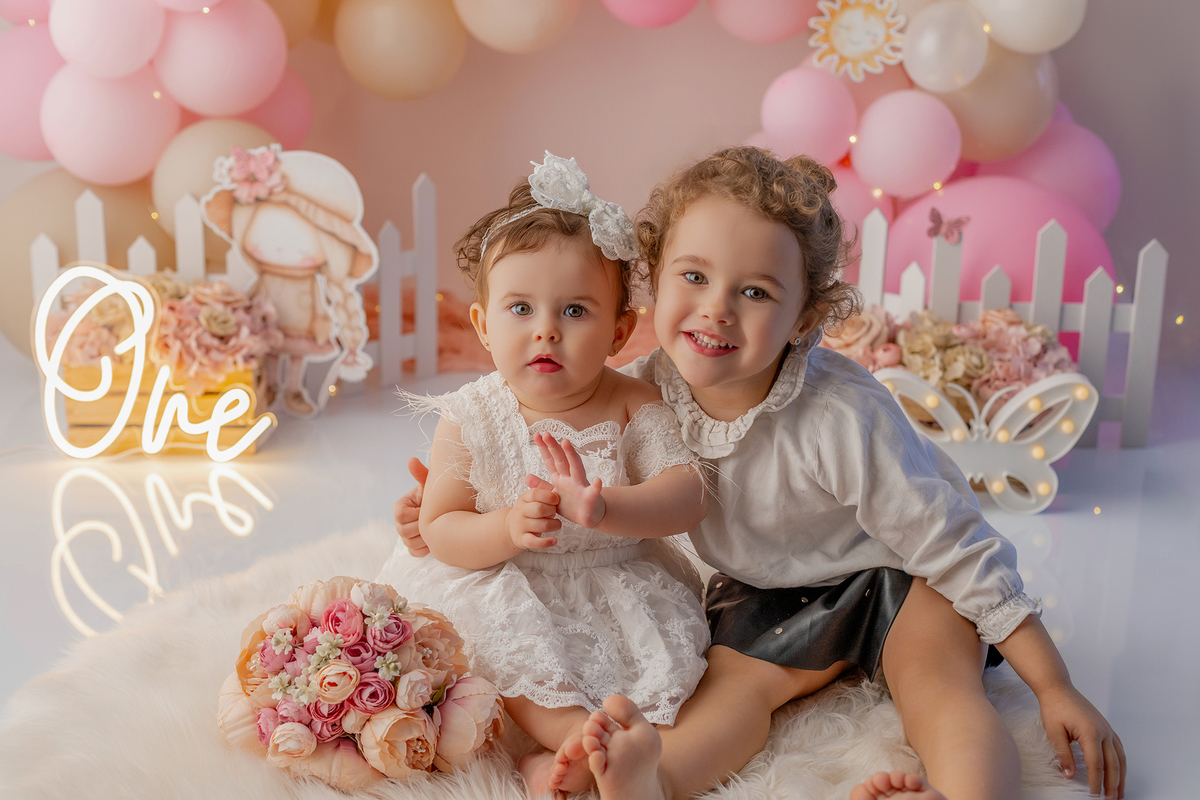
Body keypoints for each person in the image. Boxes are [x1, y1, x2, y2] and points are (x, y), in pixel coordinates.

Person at [394, 147, 1126, 800]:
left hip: (901, 578)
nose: (716, 311)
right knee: (731, 698)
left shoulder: (839, 418)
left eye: (756, 292)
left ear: (805, 316)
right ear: (655, 284)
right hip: (764, 591)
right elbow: (564, 456)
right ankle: (653, 779)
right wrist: (444, 510)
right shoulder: (646, 387)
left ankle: (961, 794)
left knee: (939, 687)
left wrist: (1053, 684)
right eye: (694, 276)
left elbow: (954, 543)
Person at [378, 153, 711, 798]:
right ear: (481, 323)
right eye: (520, 308)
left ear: (620, 331)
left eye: (576, 312)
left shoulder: (631, 405)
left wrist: (604, 507)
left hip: (610, 582)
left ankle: (561, 760)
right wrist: (506, 526)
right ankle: (570, 739)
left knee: (655, 676)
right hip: (505, 580)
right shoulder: (473, 413)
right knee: (491, 653)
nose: (546, 332)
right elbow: (442, 525)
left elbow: (687, 496)